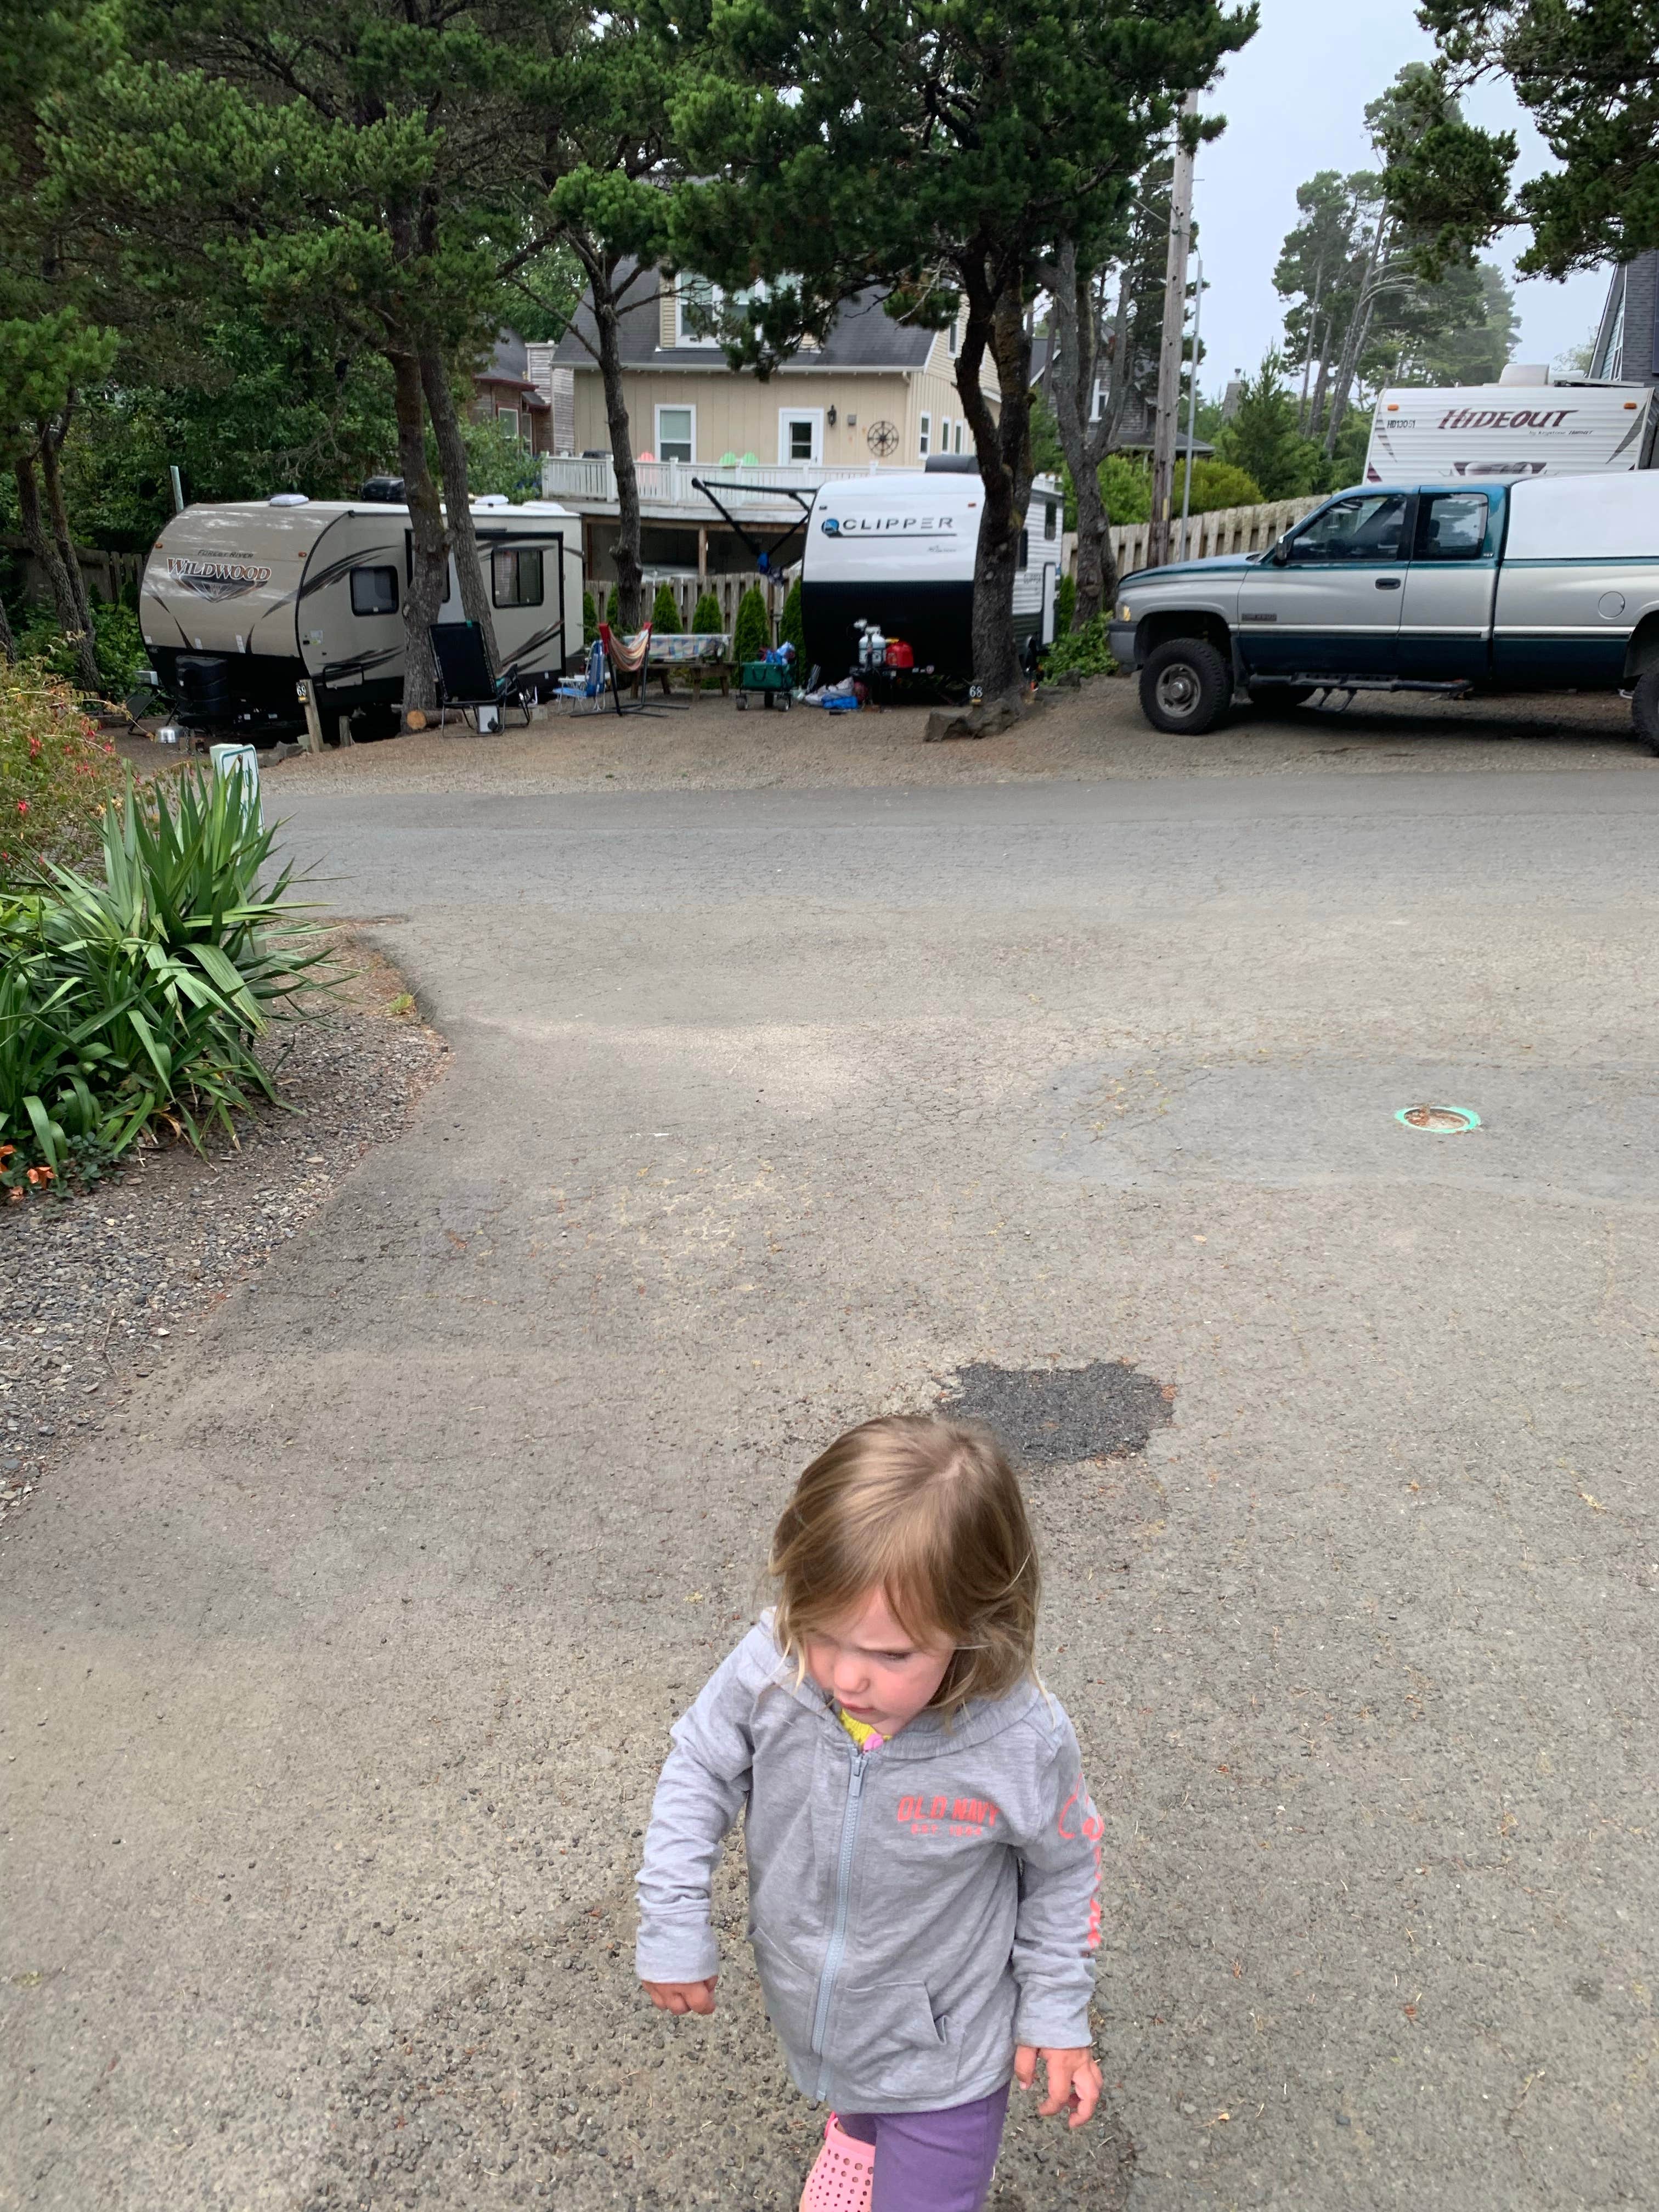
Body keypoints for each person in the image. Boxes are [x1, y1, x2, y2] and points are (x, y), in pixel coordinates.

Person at [635, 1415, 1104, 2212]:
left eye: (893, 1655)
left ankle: (881, 2133)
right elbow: (700, 1766)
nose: (848, 1678)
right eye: (825, 1633)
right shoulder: (776, 1662)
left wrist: (1057, 2007)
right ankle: (858, 2130)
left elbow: (1066, 1870)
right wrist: (672, 1917)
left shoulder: (1020, 1740)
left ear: (978, 1624)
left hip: (944, 2053)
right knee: (855, 2084)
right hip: (826, 2011)